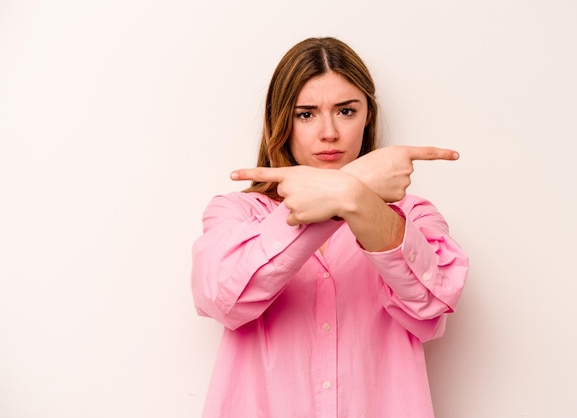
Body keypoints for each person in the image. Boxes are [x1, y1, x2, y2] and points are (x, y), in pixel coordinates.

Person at [191, 37, 469, 418]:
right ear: (282, 120)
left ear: (367, 115)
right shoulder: (236, 213)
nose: (329, 133)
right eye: (305, 114)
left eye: (346, 111)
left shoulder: (413, 216)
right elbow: (225, 300)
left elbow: (432, 308)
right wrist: (351, 189)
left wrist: (354, 198)